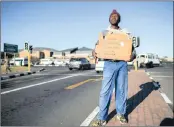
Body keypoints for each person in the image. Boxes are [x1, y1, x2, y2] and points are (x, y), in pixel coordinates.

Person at [92, 9, 136, 126]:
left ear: (119, 19)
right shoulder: (105, 33)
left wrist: (132, 56)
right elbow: (97, 46)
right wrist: (94, 51)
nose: (114, 17)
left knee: (121, 90)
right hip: (109, 64)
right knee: (105, 91)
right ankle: (102, 118)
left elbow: (133, 50)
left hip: (122, 64)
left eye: (116, 16)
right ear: (109, 19)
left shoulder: (125, 33)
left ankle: (121, 114)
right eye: (112, 16)